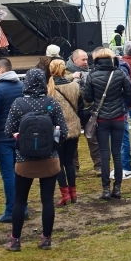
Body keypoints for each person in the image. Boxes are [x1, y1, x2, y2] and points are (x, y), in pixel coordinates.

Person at [3, 69, 68, 251]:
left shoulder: (18, 104)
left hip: (24, 160)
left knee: (20, 200)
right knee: (47, 200)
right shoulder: (52, 103)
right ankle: (46, 239)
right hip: (49, 159)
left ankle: (15, 240)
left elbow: (8, 130)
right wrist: (53, 144)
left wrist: (19, 138)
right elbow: (63, 131)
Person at [82, 47, 131, 200]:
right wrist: (127, 103)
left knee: (104, 153)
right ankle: (117, 188)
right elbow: (130, 92)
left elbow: (88, 97)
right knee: (117, 153)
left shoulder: (92, 75)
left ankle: (106, 189)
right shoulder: (119, 73)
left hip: (101, 119)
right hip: (118, 117)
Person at [0, 58, 25, 223]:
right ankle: (22, 208)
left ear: (2, 71)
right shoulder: (22, 86)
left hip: (3, 138)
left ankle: (11, 211)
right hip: (20, 137)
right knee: (20, 174)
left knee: (8, 175)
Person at [47, 59, 82, 207]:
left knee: (58, 162)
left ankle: (65, 194)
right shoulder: (74, 86)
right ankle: (73, 193)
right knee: (69, 161)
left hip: (56, 130)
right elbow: (80, 105)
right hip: (73, 126)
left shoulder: (49, 89)